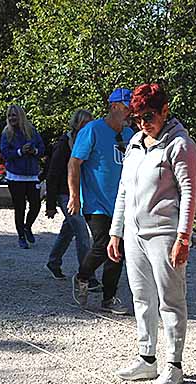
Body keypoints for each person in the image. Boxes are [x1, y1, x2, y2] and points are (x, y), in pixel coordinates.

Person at [107, 84, 196, 384]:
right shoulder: (134, 143)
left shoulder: (180, 144)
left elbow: (189, 193)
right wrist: (116, 231)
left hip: (164, 233)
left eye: (149, 116)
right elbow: (124, 189)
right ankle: (147, 358)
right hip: (134, 233)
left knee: (171, 299)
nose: (143, 123)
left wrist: (183, 237)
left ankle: (174, 364)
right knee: (141, 296)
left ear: (164, 111)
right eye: (137, 118)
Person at [68, 88, 134, 314]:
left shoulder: (130, 134)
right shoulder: (92, 130)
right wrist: (74, 196)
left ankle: (109, 298)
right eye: (126, 108)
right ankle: (82, 276)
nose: (129, 112)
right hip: (96, 202)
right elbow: (74, 163)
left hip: (122, 203)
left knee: (118, 250)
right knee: (103, 243)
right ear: (114, 106)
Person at [44, 109, 99, 288]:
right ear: (77, 124)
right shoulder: (63, 145)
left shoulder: (89, 142)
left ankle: (53, 262)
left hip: (81, 192)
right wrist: (50, 204)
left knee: (68, 229)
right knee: (82, 232)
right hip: (65, 193)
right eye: (84, 123)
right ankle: (87, 275)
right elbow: (52, 174)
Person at [0, 104, 45, 249]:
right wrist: (20, 151)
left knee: (36, 205)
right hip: (15, 176)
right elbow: (5, 153)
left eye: (14, 115)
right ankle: (21, 236)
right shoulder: (6, 133)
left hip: (31, 174)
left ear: (20, 116)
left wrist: (34, 151)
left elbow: (42, 149)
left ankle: (27, 226)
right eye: (9, 115)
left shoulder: (31, 131)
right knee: (20, 207)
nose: (12, 118)